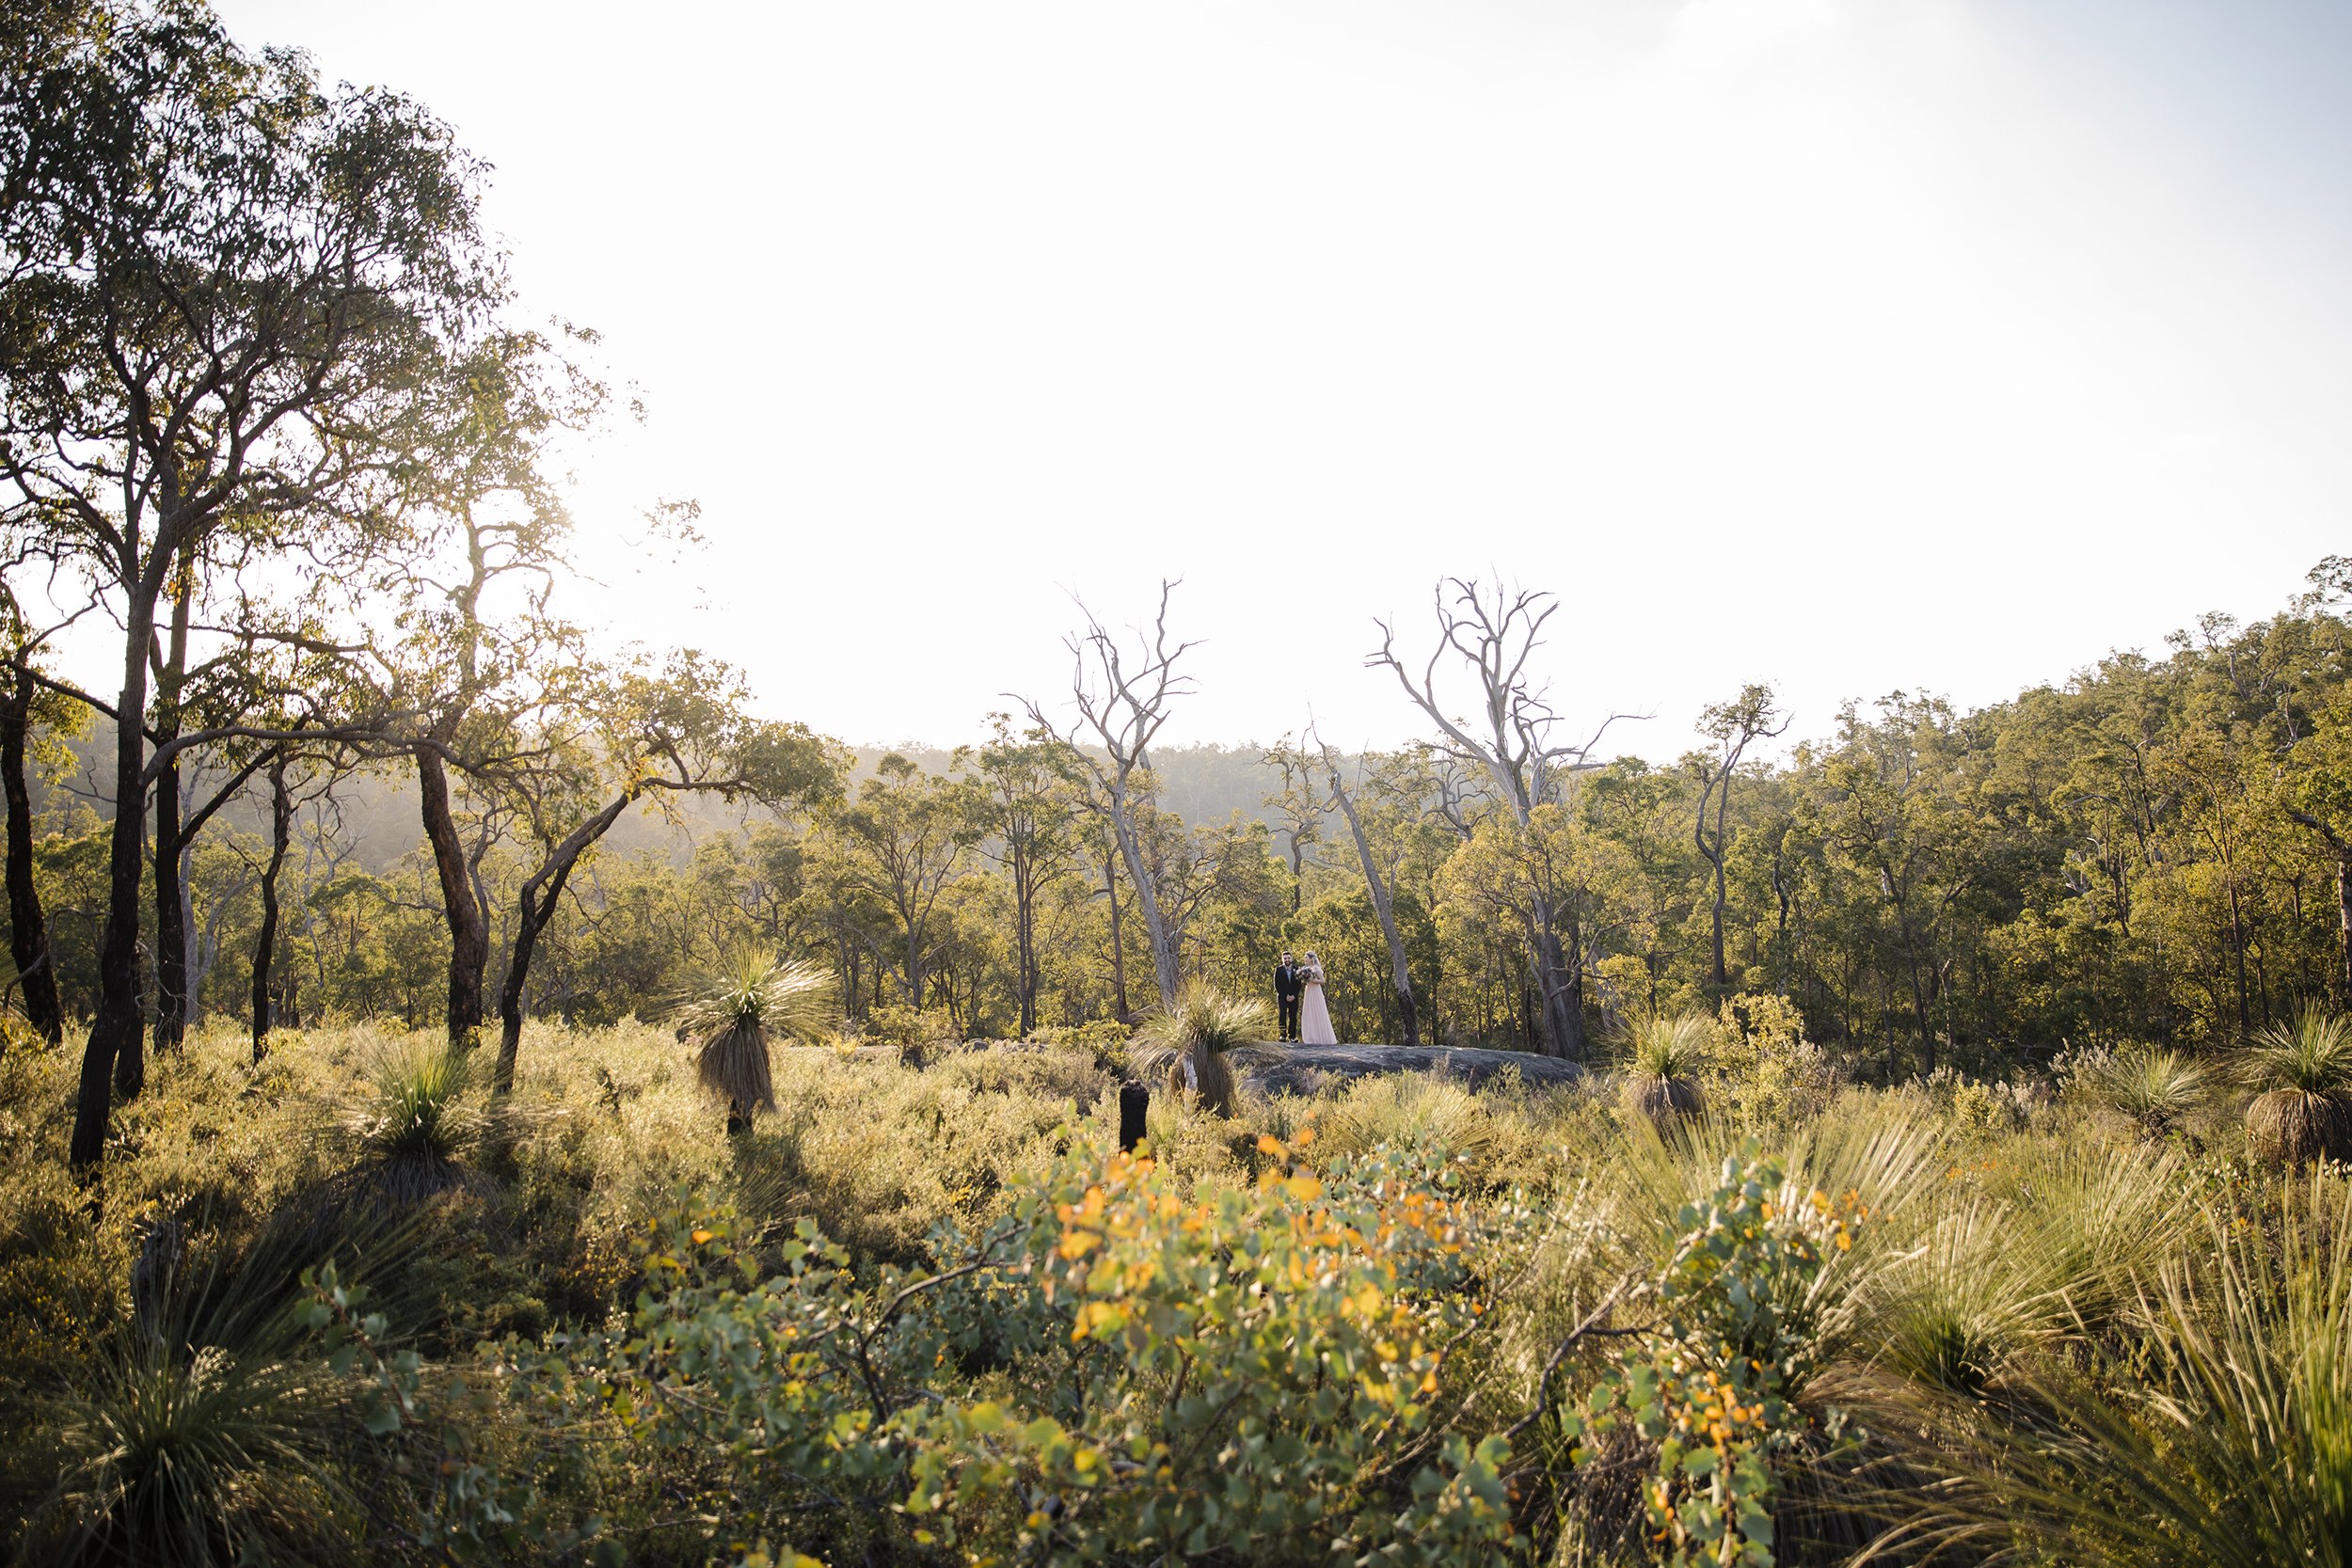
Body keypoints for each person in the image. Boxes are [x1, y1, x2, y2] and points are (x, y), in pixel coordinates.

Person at [1298, 951, 1336, 1046]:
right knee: (1309, 1011)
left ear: (1311, 959)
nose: (1305, 959)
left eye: (1306, 957)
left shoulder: (1315, 968)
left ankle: (1321, 1037)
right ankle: (1311, 1037)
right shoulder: (1306, 969)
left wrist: (1312, 980)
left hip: (1315, 990)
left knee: (1317, 1011)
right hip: (1309, 990)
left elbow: (1322, 980)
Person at [1273, 952, 1303, 1042]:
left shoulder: (1297, 970)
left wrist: (1294, 995)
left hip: (1294, 997)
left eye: (1288, 958)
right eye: (1285, 958)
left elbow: (1299, 985)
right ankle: (1282, 1035)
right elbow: (1277, 985)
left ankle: (1292, 1036)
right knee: (1282, 1015)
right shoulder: (1278, 970)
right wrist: (1285, 996)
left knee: (1293, 1016)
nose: (1287, 960)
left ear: (1291, 958)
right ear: (1283, 959)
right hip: (1282, 997)